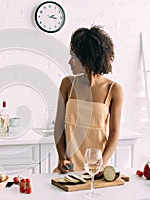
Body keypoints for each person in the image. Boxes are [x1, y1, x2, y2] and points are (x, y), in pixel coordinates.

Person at [53, 25, 123, 173]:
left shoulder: (114, 89)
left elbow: (115, 132)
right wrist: (61, 157)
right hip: (69, 168)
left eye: (74, 56)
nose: (69, 62)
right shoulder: (67, 84)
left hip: (97, 169)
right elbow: (59, 126)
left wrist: (102, 164)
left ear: (87, 58)